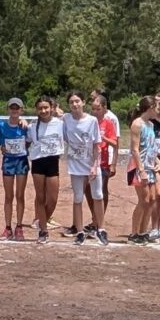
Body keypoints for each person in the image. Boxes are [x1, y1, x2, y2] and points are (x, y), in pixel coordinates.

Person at [124, 95, 160, 244]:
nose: (158, 109)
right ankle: (134, 233)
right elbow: (135, 149)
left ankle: (143, 232)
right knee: (143, 200)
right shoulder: (137, 124)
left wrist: (157, 162)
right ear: (150, 108)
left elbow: (152, 147)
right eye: (156, 106)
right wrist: (141, 170)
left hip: (150, 166)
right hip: (139, 167)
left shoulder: (150, 125)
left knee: (152, 199)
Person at [61, 92, 105, 245]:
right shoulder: (66, 119)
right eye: (71, 102)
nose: (75, 104)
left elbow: (96, 145)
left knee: (98, 195)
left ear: (83, 102)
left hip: (91, 164)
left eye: (77, 101)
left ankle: (101, 228)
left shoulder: (92, 120)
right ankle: (79, 231)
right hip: (75, 165)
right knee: (78, 197)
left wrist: (94, 166)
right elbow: (52, 115)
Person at [27, 96, 64, 242]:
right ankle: (43, 230)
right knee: (40, 197)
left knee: (53, 198)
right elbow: (26, 141)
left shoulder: (60, 123)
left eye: (46, 108)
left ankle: (42, 221)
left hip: (53, 162)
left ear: (52, 108)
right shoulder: (32, 126)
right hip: (38, 163)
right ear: (37, 110)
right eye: (40, 108)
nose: (43, 110)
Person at [0, 97, 29, 241]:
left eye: (17, 108)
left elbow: (30, 142)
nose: (14, 110)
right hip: (8, 161)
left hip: (21, 161)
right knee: (8, 196)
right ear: (8, 109)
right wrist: (2, 148)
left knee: (20, 195)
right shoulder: (2, 127)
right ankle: (8, 227)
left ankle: (19, 226)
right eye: (12, 108)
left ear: (21, 110)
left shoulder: (25, 127)